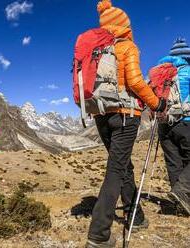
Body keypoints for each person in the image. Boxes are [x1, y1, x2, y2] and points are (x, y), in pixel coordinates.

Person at [85, 1, 166, 247]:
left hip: (101, 115)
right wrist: (157, 104)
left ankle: (135, 215)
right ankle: (99, 234)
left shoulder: (96, 50)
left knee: (122, 165)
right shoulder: (126, 46)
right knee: (117, 169)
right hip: (124, 115)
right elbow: (135, 82)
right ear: (124, 25)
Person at [157, 38, 190, 215]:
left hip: (164, 124)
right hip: (186, 121)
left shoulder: (159, 73)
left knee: (173, 162)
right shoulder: (189, 71)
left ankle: (180, 206)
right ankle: (181, 192)